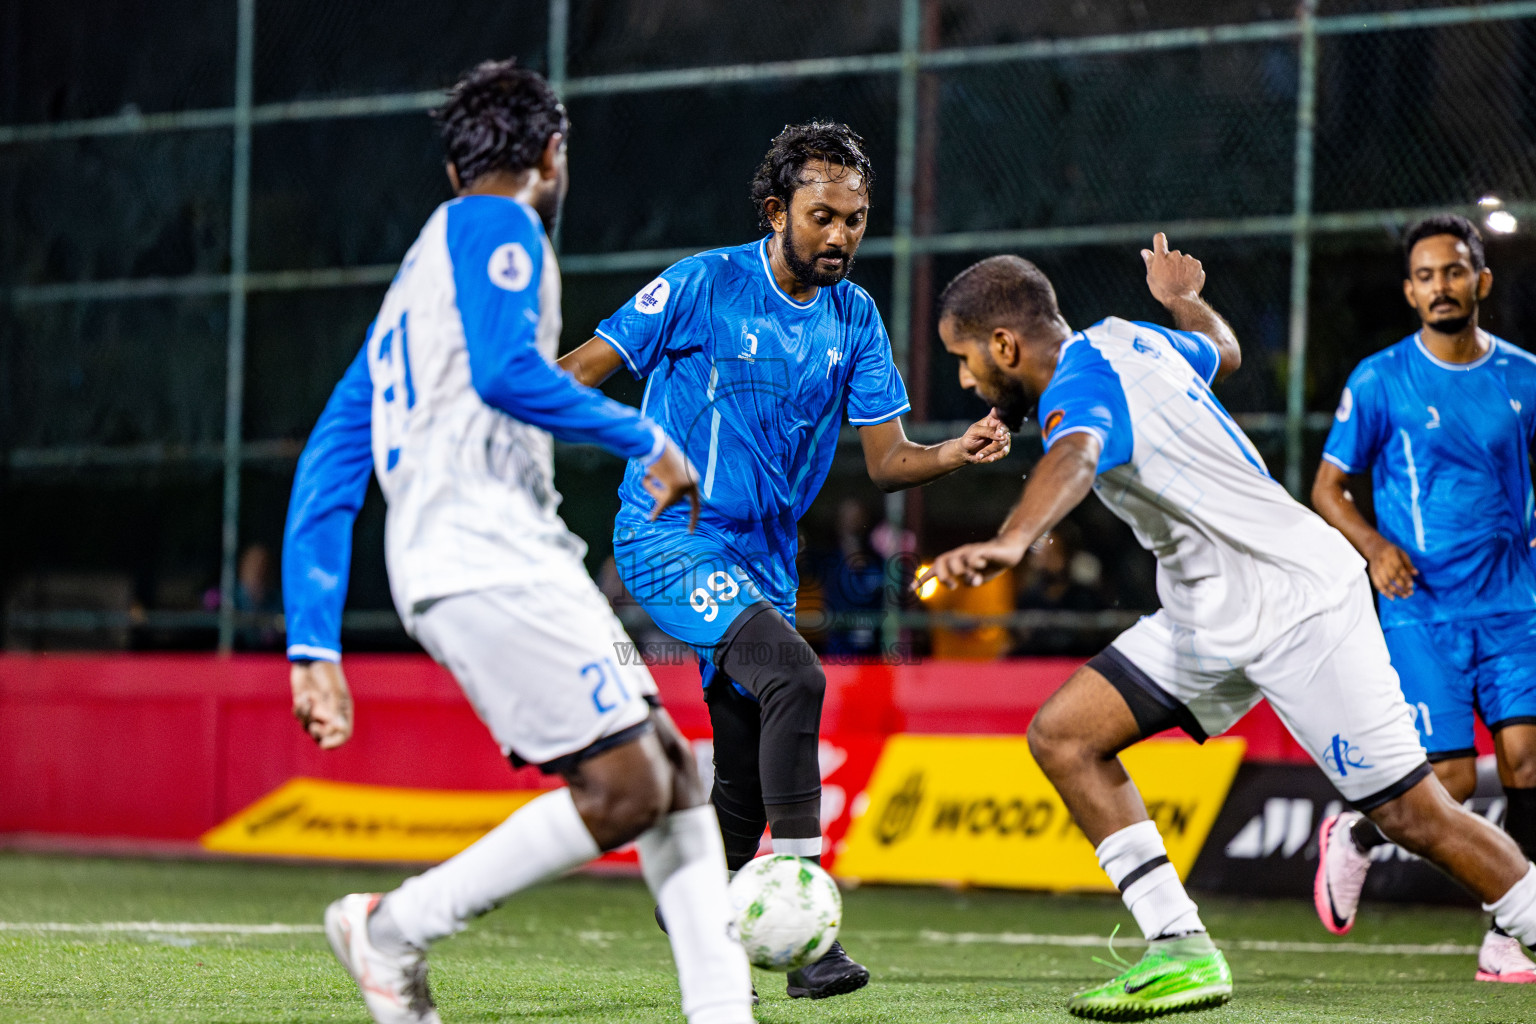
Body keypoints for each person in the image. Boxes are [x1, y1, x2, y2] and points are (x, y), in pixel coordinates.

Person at [918, 235, 1536, 1020]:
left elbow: (1075, 454)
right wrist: (1182, 299)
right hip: (1207, 612)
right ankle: (1179, 950)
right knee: (1065, 735)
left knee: (1414, 815)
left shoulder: (1081, 381)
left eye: (966, 359)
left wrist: (1011, 539)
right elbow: (1224, 349)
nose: (968, 378)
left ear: (1005, 344)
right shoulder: (1129, 336)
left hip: (1295, 603)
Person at [281, 60, 754, 1024]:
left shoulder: (416, 288)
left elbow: (331, 458)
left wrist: (313, 641)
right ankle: (392, 931)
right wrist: (645, 436)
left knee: (669, 773)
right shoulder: (504, 228)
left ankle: (723, 1015)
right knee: (626, 786)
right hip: (482, 555)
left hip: (496, 554)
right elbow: (504, 374)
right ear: (552, 153)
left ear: (455, 168)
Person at [556, 121, 1010, 998]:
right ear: (777, 211)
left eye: (856, 218)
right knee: (795, 678)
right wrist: (502, 404)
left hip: (764, 559)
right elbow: (582, 368)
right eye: (822, 216)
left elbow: (885, 463)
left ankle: (695, 902)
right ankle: (811, 936)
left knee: (747, 764)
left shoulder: (856, 316)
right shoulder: (702, 284)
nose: (840, 235)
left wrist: (956, 450)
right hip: (668, 538)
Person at [1311, 214, 1536, 983]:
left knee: (1528, 761)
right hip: (1423, 609)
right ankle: (1358, 838)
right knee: (1450, 784)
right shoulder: (1380, 380)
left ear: (1482, 280)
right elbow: (1328, 488)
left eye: (1455, 270)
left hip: (1514, 603)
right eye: (1427, 275)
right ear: (1410, 291)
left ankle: (1508, 936)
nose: (1442, 285)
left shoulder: (1525, 377)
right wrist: (1374, 548)